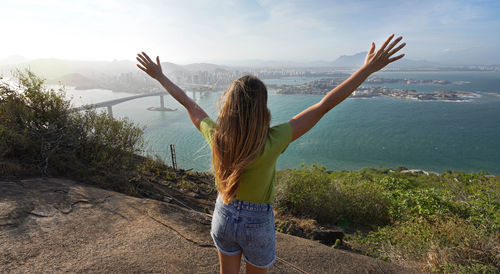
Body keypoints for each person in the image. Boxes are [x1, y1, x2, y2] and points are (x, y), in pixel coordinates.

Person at [136, 34, 405, 274]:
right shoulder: (274, 140)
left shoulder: (218, 137)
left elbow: (189, 103)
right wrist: (367, 70)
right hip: (257, 224)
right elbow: (324, 105)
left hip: (223, 215)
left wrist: (160, 76)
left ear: (228, 106)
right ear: (262, 109)